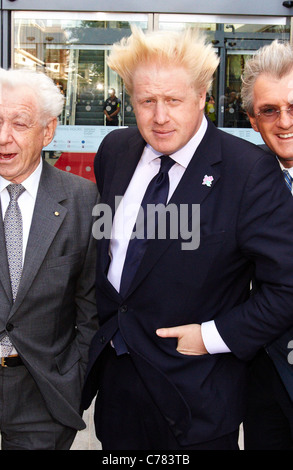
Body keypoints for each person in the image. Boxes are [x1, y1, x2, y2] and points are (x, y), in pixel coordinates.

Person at [81, 27, 293, 450]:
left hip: (196, 399)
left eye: (174, 101)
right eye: (146, 101)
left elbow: (287, 286)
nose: (160, 117)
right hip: (118, 393)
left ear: (202, 97)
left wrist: (212, 336)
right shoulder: (115, 151)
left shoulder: (248, 172)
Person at [0, 68, 98, 450]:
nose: (4, 137)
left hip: (42, 394)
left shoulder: (84, 201)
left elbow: (91, 309)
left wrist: (75, 381)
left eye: (20, 124)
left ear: (48, 130)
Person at [240, 40, 293, 450]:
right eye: (269, 110)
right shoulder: (237, 184)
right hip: (266, 377)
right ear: (253, 121)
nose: (284, 122)